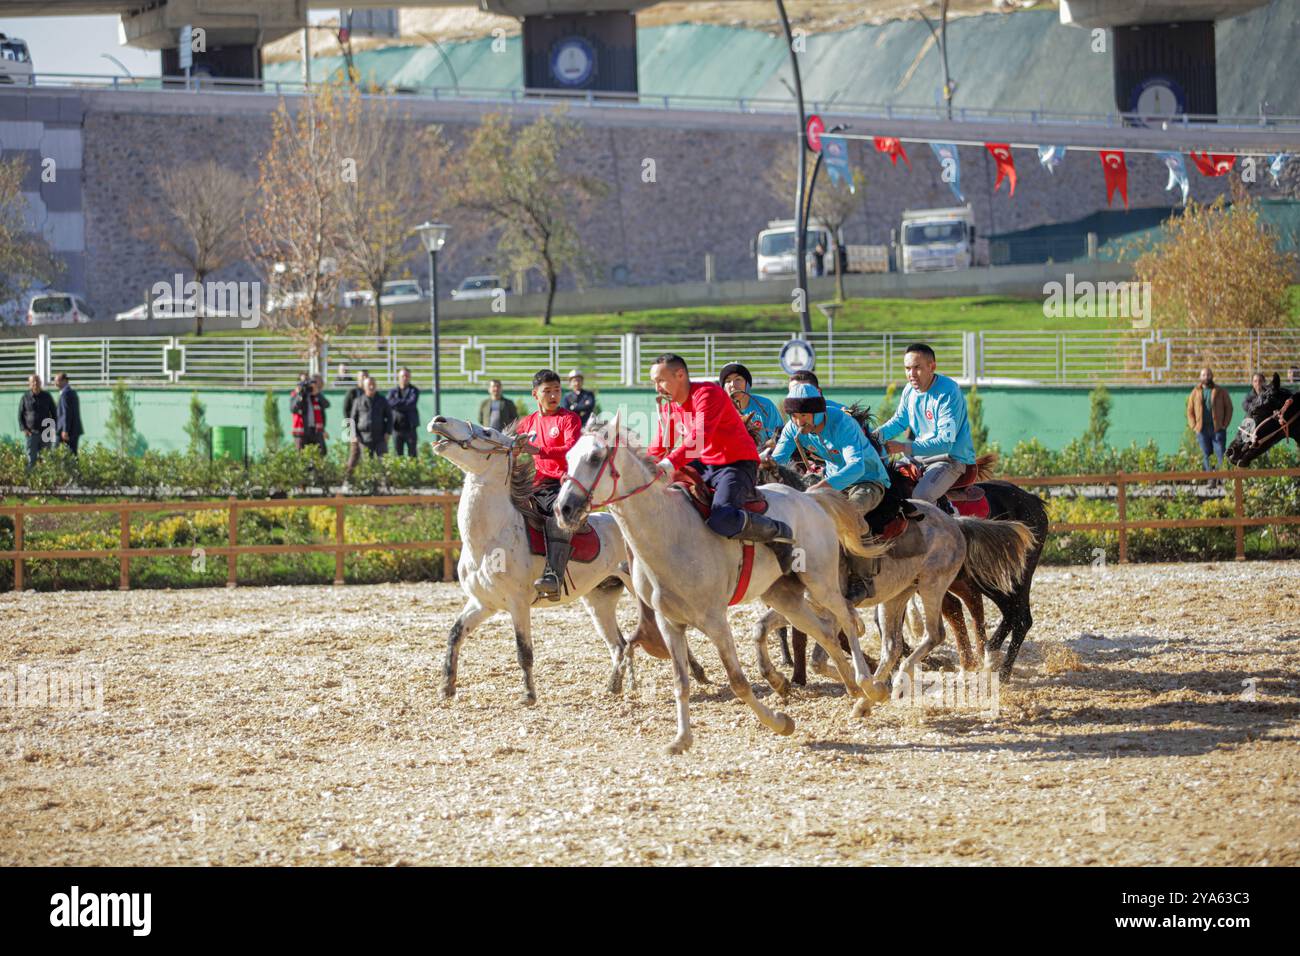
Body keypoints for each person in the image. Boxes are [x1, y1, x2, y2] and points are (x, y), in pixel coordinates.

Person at [647, 353, 795, 573]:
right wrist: (644, 468)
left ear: (680, 375)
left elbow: (699, 438)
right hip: (704, 464)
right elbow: (660, 445)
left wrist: (668, 465)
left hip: (736, 464)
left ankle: (779, 533)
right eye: (654, 383)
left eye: (660, 380)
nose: (657, 388)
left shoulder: (707, 394)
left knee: (722, 519)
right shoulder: (671, 406)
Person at [767, 381, 892, 600]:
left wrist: (821, 487)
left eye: (803, 416)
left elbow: (857, 466)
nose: (798, 422)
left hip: (868, 480)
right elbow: (775, 460)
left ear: (818, 412)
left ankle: (863, 580)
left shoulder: (843, 423)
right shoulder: (793, 427)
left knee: (850, 515)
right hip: (833, 481)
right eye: (794, 416)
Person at [874, 342, 976, 504]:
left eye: (917, 367)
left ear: (932, 366)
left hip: (950, 460)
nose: (911, 374)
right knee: (883, 486)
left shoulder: (948, 392)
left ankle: (948, 522)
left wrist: (903, 447)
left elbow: (945, 444)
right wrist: (872, 437)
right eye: (907, 368)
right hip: (917, 457)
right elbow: (899, 422)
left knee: (920, 498)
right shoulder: (909, 390)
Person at [515, 369, 584, 599]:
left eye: (557, 390)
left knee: (559, 515)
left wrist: (539, 450)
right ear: (535, 394)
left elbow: (572, 449)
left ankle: (553, 576)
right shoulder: (527, 423)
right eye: (548, 391)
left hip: (565, 483)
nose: (554, 395)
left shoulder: (569, 419)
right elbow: (512, 445)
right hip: (537, 484)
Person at [718, 362, 783, 447]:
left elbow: (778, 438)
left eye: (738, 379)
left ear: (747, 384)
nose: (733, 385)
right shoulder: (718, 411)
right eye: (728, 381)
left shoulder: (765, 405)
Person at [1186, 366, 1232, 471]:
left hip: (1217, 428)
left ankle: (1222, 478)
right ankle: (1211, 478)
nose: (1206, 377)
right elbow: (1190, 410)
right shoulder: (1195, 392)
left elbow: (1229, 408)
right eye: (1204, 375)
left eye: (1208, 374)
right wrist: (1194, 426)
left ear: (1212, 376)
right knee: (1206, 454)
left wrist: (1225, 424)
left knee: (1220, 453)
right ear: (1200, 377)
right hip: (1202, 429)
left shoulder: (1220, 391)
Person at [347, 375, 391, 473]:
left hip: (380, 437)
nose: (371, 387)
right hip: (363, 437)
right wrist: (354, 435)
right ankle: (365, 484)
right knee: (367, 462)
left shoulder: (382, 400)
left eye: (373, 385)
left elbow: (389, 417)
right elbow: (351, 420)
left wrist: (388, 432)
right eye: (369, 385)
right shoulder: (358, 401)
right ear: (364, 387)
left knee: (384, 461)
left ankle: (386, 485)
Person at [18, 374, 57, 470]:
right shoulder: (25, 397)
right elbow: (20, 415)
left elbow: (54, 413)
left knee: (46, 458)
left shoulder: (47, 396)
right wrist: (24, 429)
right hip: (31, 432)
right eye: (33, 381)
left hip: (46, 432)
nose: (35, 383)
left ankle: (46, 482)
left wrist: (52, 429)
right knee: (31, 458)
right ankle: (31, 481)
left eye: (37, 381)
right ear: (30, 384)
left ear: (41, 383)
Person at [387, 367, 421, 457]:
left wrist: (397, 404)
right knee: (398, 455)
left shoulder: (414, 390)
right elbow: (390, 403)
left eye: (407, 376)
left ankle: (414, 471)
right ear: (399, 377)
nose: (405, 378)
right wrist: (404, 403)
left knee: (413, 455)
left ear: (410, 377)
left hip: (410, 428)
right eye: (403, 376)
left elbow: (411, 404)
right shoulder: (392, 391)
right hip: (396, 428)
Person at [292, 374, 329, 452]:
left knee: (321, 453)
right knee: (302, 456)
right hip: (301, 432)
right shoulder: (295, 395)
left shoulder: (314, 395)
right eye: (302, 382)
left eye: (306, 381)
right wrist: (300, 395)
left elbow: (326, 405)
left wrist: (317, 393)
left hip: (315, 431)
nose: (305, 384)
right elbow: (293, 409)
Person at [54, 372, 82, 456]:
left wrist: (65, 430)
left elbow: (67, 413)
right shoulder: (71, 392)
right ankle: (72, 469)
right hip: (73, 430)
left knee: (57, 454)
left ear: (65, 381)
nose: (55, 383)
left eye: (58, 381)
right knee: (72, 455)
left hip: (66, 431)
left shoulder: (65, 394)